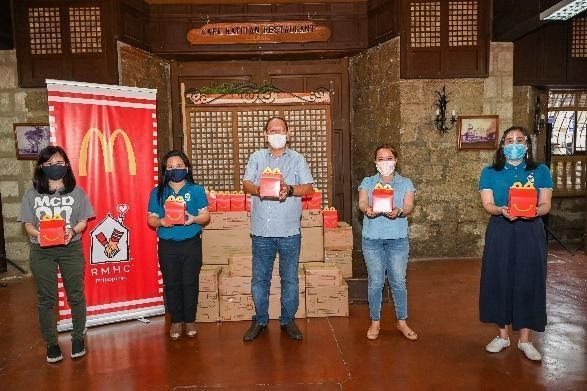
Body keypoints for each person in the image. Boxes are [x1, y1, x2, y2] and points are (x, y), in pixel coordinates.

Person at [479, 126, 552, 361]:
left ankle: (525, 340)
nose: (514, 144)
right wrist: (502, 210)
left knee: (528, 279)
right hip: (501, 229)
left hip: (530, 231)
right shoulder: (490, 172)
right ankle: (502, 335)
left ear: (527, 144)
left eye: (519, 140)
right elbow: (488, 204)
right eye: (509, 140)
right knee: (499, 278)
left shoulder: (540, 171)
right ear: (502, 145)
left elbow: (546, 205)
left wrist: (531, 212)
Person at [18, 146, 95, 363]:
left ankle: (78, 337)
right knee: (46, 298)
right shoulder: (32, 193)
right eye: (50, 163)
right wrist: (41, 234)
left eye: (59, 163)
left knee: (76, 295)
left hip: (70, 249)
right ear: (41, 167)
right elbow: (28, 226)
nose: (55, 167)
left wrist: (73, 230)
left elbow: (83, 221)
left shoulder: (77, 192)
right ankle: (51, 343)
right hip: (42, 250)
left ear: (67, 165)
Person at [241, 116, 314, 342]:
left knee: (290, 279)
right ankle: (261, 319)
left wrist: (290, 190)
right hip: (262, 230)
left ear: (288, 133)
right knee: (259, 279)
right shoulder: (256, 157)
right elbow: (246, 183)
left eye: (280, 130)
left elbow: (309, 187)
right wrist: (260, 190)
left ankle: (287, 320)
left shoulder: (297, 159)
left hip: (289, 231)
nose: (276, 134)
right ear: (265, 134)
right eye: (272, 131)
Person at [147, 150, 210, 340]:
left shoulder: (196, 190)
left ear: (187, 168)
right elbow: (150, 219)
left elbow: (206, 216)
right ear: (165, 171)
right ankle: (176, 320)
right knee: (171, 282)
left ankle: (190, 319)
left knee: (190, 282)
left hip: (191, 242)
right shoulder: (158, 192)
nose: (175, 170)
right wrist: (161, 222)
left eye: (179, 166)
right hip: (167, 245)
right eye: (170, 167)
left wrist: (194, 219)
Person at [358, 144, 418, 341]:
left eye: (389, 158)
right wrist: (367, 210)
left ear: (396, 160)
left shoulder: (405, 183)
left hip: (398, 240)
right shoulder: (368, 182)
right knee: (376, 282)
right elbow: (362, 202)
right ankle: (375, 322)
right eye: (381, 159)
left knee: (399, 282)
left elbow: (409, 205)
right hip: (372, 239)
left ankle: (402, 321)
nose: (386, 163)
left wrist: (400, 211)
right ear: (375, 162)